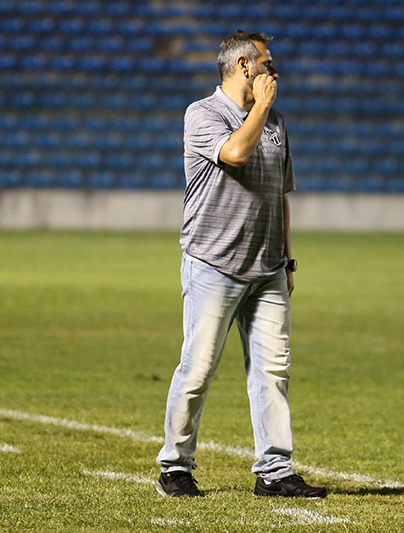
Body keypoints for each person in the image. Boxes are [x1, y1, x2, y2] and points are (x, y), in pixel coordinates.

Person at [155, 29, 326, 499]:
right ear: (244, 66)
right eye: (267, 63)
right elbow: (233, 153)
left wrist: (288, 262)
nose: (275, 71)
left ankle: (274, 470)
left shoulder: (277, 122)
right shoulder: (202, 114)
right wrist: (261, 109)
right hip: (214, 263)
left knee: (273, 370)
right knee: (199, 368)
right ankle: (175, 464)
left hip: (268, 267)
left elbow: (280, 196)